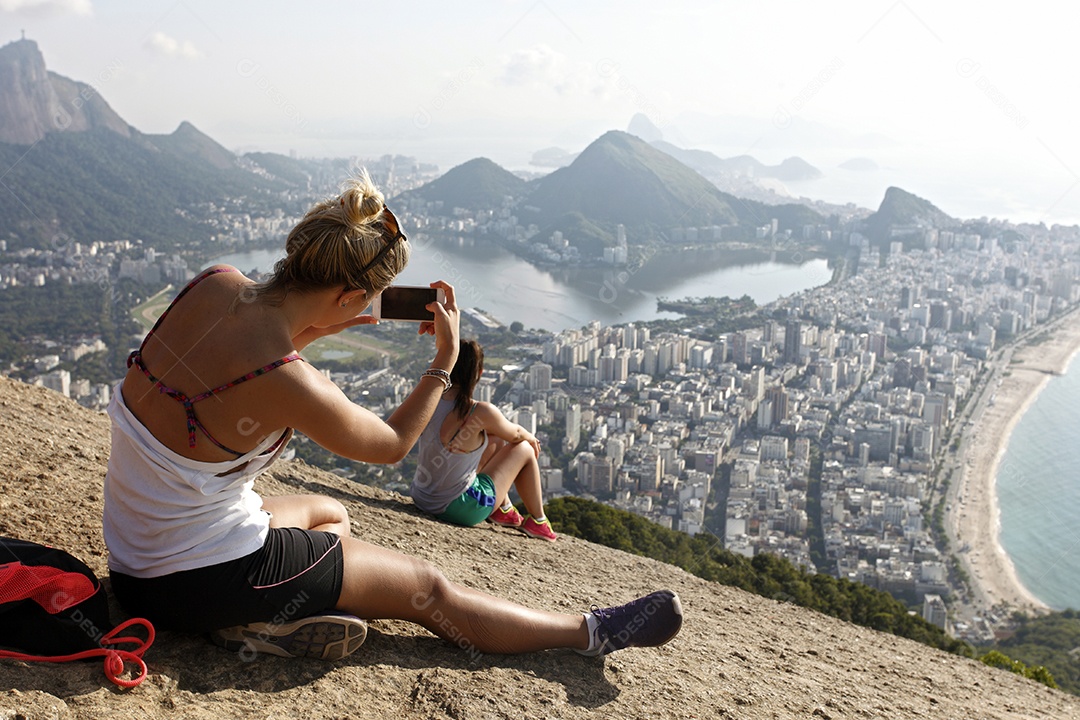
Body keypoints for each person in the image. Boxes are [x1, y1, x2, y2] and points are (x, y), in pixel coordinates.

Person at [102, 171, 682, 661]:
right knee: (428, 588)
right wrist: (444, 363)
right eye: (363, 298)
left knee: (330, 513)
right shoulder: (288, 381)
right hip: (191, 582)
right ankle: (590, 631)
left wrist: (340, 314)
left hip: (132, 560)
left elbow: (254, 342)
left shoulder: (214, 283)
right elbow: (390, 445)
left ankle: (269, 617)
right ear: (352, 295)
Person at [411, 339, 557, 541]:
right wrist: (531, 437)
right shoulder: (479, 411)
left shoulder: (430, 399)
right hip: (460, 508)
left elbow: (502, 436)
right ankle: (539, 521)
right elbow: (516, 435)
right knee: (524, 448)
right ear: (479, 374)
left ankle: (503, 509)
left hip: (422, 496)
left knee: (495, 438)